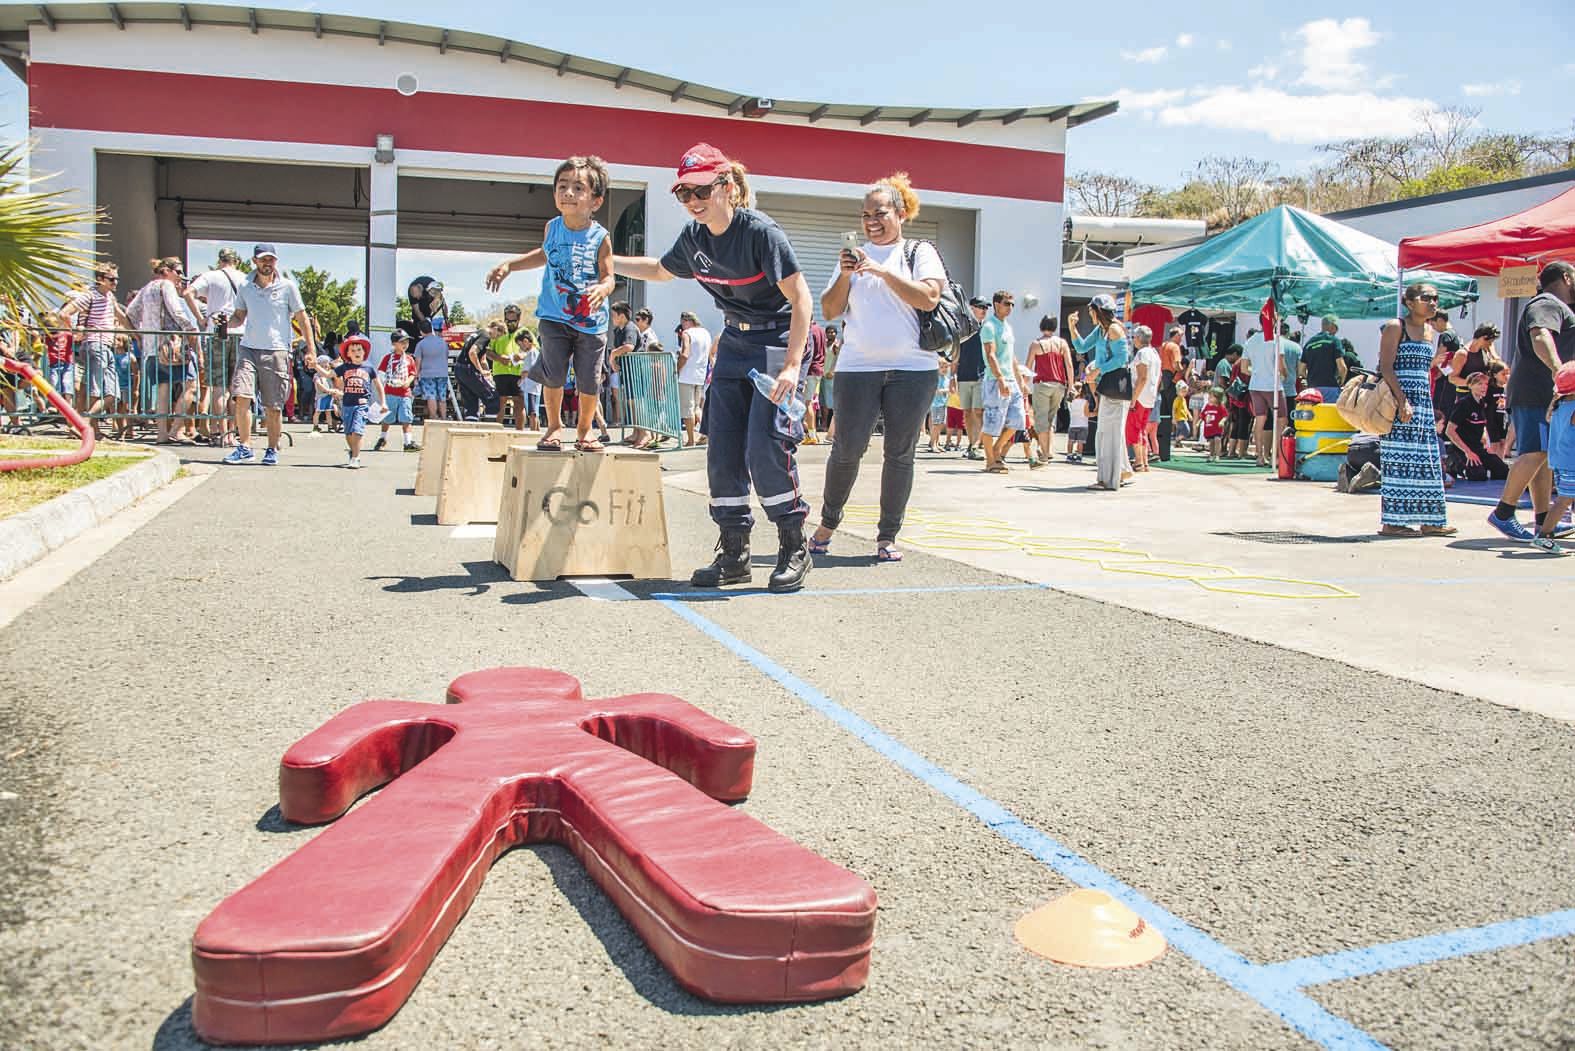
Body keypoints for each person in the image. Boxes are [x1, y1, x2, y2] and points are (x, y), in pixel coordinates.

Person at [609, 142, 815, 591]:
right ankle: (735, 552)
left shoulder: (761, 233)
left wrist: (793, 366)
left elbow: (802, 299)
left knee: (765, 445)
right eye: (683, 194)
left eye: (701, 190)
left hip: (776, 341)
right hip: (735, 343)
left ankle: (793, 543)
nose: (693, 202)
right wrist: (607, 262)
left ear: (728, 186)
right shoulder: (694, 239)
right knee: (721, 448)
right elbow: (661, 271)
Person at [813, 173, 948, 554]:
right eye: (865, 215)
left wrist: (883, 271)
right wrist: (845, 274)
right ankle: (826, 525)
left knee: (899, 453)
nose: (871, 221)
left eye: (880, 212)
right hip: (857, 369)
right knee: (847, 449)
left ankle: (887, 535)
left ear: (901, 214)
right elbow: (829, 310)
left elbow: (928, 298)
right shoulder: (852, 261)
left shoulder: (919, 251)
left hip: (913, 369)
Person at [486, 155, 615, 452]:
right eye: (562, 186)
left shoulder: (600, 237)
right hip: (554, 316)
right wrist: (510, 265)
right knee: (554, 373)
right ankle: (554, 426)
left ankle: (585, 430)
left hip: (590, 321)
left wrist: (603, 289)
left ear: (595, 201)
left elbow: (609, 275)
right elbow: (543, 255)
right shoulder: (552, 228)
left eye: (578, 188)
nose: (568, 193)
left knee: (588, 379)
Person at [1487, 261, 1575, 541]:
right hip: (1535, 391)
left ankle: (1541, 520)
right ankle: (1503, 512)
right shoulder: (1547, 303)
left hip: (1541, 393)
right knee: (1535, 452)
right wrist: (1558, 371)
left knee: (1543, 455)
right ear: (1566, 277)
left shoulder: (1555, 305)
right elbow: (1540, 335)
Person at [1375, 283, 1455, 537]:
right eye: (1426, 298)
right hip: (1400, 404)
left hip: (1423, 404)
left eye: (1436, 298)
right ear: (1409, 302)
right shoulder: (1395, 327)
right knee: (1399, 462)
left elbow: (1423, 369)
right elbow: (1386, 367)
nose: (1433, 302)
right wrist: (1402, 401)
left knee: (1427, 462)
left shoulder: (1430, 331)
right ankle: (1393, 522)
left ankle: (1430, 519)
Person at [128, 256, 201, 445]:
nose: (180, 277)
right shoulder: (166, 286)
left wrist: (140, 334)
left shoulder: (146, 288)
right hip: (171, 346)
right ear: (166, 271)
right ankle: (176, 429)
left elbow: (131, 312)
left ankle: (162, 434)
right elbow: (176, 311)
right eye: (178, 272)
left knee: (163, 390)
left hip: (152, 348)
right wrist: (191, 329)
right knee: (190, 386)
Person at [59, 262, 132, 439]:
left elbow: (120, 316)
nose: (115, 283)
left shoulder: (110, 298)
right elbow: (64, 313)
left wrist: (136, 334)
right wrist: (75, 332)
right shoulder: (90, 295)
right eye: (111, 279)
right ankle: (86, 426)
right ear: (100, 279)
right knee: (97, 390)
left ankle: (90, 428)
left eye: (116, 279)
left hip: (104, 345)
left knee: (107, 392)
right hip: (95, 344)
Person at [1069, 295, 1130, 491]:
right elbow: (1082, 346)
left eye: (1091, 311)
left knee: (1107, 433)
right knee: (1109, 432)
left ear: (1098, 310)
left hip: (1114, 386)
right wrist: (1072, 328)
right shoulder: (1103, 330)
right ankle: (1118, 473)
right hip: (1109, 386)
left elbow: (1122, 358)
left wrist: (1098, 369)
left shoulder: (1113, 329)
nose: (1090, 314)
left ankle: (1108, 479)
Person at [976, 291, 1024, 475]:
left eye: (1012, 304)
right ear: (996, 304)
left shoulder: (1008, 327)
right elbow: (991, 354)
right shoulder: (989, 326)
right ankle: (990, 461)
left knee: (1018, 419)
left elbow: (1011, 357)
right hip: (995, 380)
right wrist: (1001, 379)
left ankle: (997, 450)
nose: (1010, 307)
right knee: (992, 422)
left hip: (1011, 380)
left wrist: (1019, 380)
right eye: (1006, 303)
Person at [1532, 362, 1575, 554]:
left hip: (1559, 461)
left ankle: (1545, 534)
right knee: (1564, 499)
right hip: (1571, 462)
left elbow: (1550, 419)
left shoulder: (1559, 405)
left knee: (1568, 496)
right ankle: (1544, 535)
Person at [1443, 372, 1509, 482]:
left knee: (1502, 470)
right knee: (1478, 475)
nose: (1484, 387)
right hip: (1461, 449)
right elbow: (1449, 431)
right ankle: (1453, 465)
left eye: (1485, 384)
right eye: (1479, 384)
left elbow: (1482, 426)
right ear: (1470, 386)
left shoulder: (1483, 404)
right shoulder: (1463, 404)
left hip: (1477, 447)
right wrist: (1467, 451)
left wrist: (1487, 446)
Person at [1026, 314, 1073, 464]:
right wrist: (1070, 386)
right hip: (1059, 385)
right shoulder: (1062, 343)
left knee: (1041, 420)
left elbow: (1028, 366)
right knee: (1051, 418)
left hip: (1042, 384)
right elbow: (1069, 366)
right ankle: (1049, 450)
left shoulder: (1036, 344)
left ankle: (1044, 453)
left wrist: (1024, 384)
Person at [334, 337, 384, 469]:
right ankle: (353, 451)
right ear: (348, 354)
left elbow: (378, 385)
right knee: (349, 433)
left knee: (357, 431)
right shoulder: (344, 367)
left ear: (364, 352)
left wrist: (383, 402)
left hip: (362, 404)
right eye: (353, 350)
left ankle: (356, 457)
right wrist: (316, 365)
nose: (356, 352)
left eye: (359, 349)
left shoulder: (369, 368)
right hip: (347, 404)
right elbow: (329, 374)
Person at [1241, 325, 1286, 468]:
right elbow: (1281, 366)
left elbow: (1243, 368)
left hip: (1255, 385)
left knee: (1259, 419)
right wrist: (1285, 375)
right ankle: (1277, 456)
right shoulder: (1276, 339)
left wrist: (1256, 372)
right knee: (1281, 420)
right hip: (1273, 385)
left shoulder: (1251, 341)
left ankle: (1260, 456)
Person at [954, 298, 990, 459]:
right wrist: (952, 376)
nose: (984, 310)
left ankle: (977, 445)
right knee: (967, 412)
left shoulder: (987, 329)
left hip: (982, 376)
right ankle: (971, 444)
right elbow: (956, 352)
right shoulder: (963, 328)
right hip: (963, 375)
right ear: (971, 308)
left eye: (986, 308)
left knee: (978, 411)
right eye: (980, 307)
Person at [374, 330, 420, 451]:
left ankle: (408, 442)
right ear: (394, 344)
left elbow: (412, 373)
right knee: (387, 418)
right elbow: (381, 375)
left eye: (407, 341)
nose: (405, 344)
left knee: (406, 417)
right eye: (402, 342)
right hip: (390, 392)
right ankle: (382, 438)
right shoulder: (388, 358)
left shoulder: (409, 359)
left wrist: (408, 382)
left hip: (405, 393)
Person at [1126, 325, 1160, 474]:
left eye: (1134, 337)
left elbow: (1142, 377)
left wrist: (1133, 398)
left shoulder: (1142, 354)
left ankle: (1139, 462)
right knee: (1141, 429)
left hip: (1140, 397)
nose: (1133, 340)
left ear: (1139, 338)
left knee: (1134, 429)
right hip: (1150, 397)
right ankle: (1144, 462)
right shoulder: (1154, 353)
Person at [676, 310, 713, 447]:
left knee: (687, 409)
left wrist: (677, 369)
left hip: (686, 375)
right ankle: (706, 435)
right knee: (697, 407)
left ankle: (691, 440)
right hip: (700, 374)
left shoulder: (687, 333)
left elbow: (685, 354)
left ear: (686, 321)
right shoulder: (705, 333)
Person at [489, 305, 528, 429]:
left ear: (519, 318)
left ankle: (519, 433)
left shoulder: (525, 333)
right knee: (500, 403)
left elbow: (534, 351)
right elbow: (488, 351)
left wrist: (521, 356)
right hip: (500, 373)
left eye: (513, 320)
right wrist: (499, 358)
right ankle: (496, 433)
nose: (510, 323)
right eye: (508, 320)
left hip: (519, 373)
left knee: (519, 403)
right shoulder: (499, 332)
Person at [455, 321, 497, 420]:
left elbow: (482, 359)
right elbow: (472, 352)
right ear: (495, 328)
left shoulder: (477, 333)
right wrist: (481, 371)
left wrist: (487, 374)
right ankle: (491, 427)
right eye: (500, 333)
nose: (497, 337)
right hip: (469, 369)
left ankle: (471, 425)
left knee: (471, 401)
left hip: (460, 369)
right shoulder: (485, 336)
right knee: (492, 397)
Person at [411, 318, 451, 422]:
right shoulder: (442, 342)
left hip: (427, 374)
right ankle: (444, 417)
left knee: (431, 396)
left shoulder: (421, 344)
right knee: (442, 396)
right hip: (442, 373)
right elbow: (446, 357)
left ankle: (434, 416)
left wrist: (416, 376)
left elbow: (418, 362)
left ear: (421, 331)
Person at [1301, 316, 1347, 398]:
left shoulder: (1309, 343)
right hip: (1330, 388)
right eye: (1336, 328)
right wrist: (1341, 381)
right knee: (1329, 410)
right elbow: (1342, 368)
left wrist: (1311, 379)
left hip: (1312, 390)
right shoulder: (1334, 341)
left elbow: (1301, 370)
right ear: (1332, 326)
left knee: (1314, 411)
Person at [800, 316, 826, 444]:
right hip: (819, 369)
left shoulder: (809, 330)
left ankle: (811, 435)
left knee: (807, 402)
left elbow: (807, 352)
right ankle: (812, 433)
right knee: (810, 401)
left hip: (810, 370)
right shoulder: (820, 329)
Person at [1200, 387, 1228, 461]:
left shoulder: (1220, 407)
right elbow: (1203, 415)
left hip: (1217, 428)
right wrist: (1199, 422)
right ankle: (1211, 455)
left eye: (1212, 396)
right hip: (1210, 428)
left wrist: (1222, 421)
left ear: (1218, 398)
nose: (1209, 398)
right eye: (1209, 396)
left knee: (1217, 439)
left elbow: (1225, 416)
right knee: (1211, 442)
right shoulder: (1207, 406)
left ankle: (1217, 455)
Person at [1065, 381, 1089, 463]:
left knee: (1070, 441)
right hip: (1083, 424)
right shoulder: (1085, 402)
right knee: (1080, 442)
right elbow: (1087, 413)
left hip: (1072, 424)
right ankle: (1079, 456)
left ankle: (1069, 455)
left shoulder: (1070, 402)